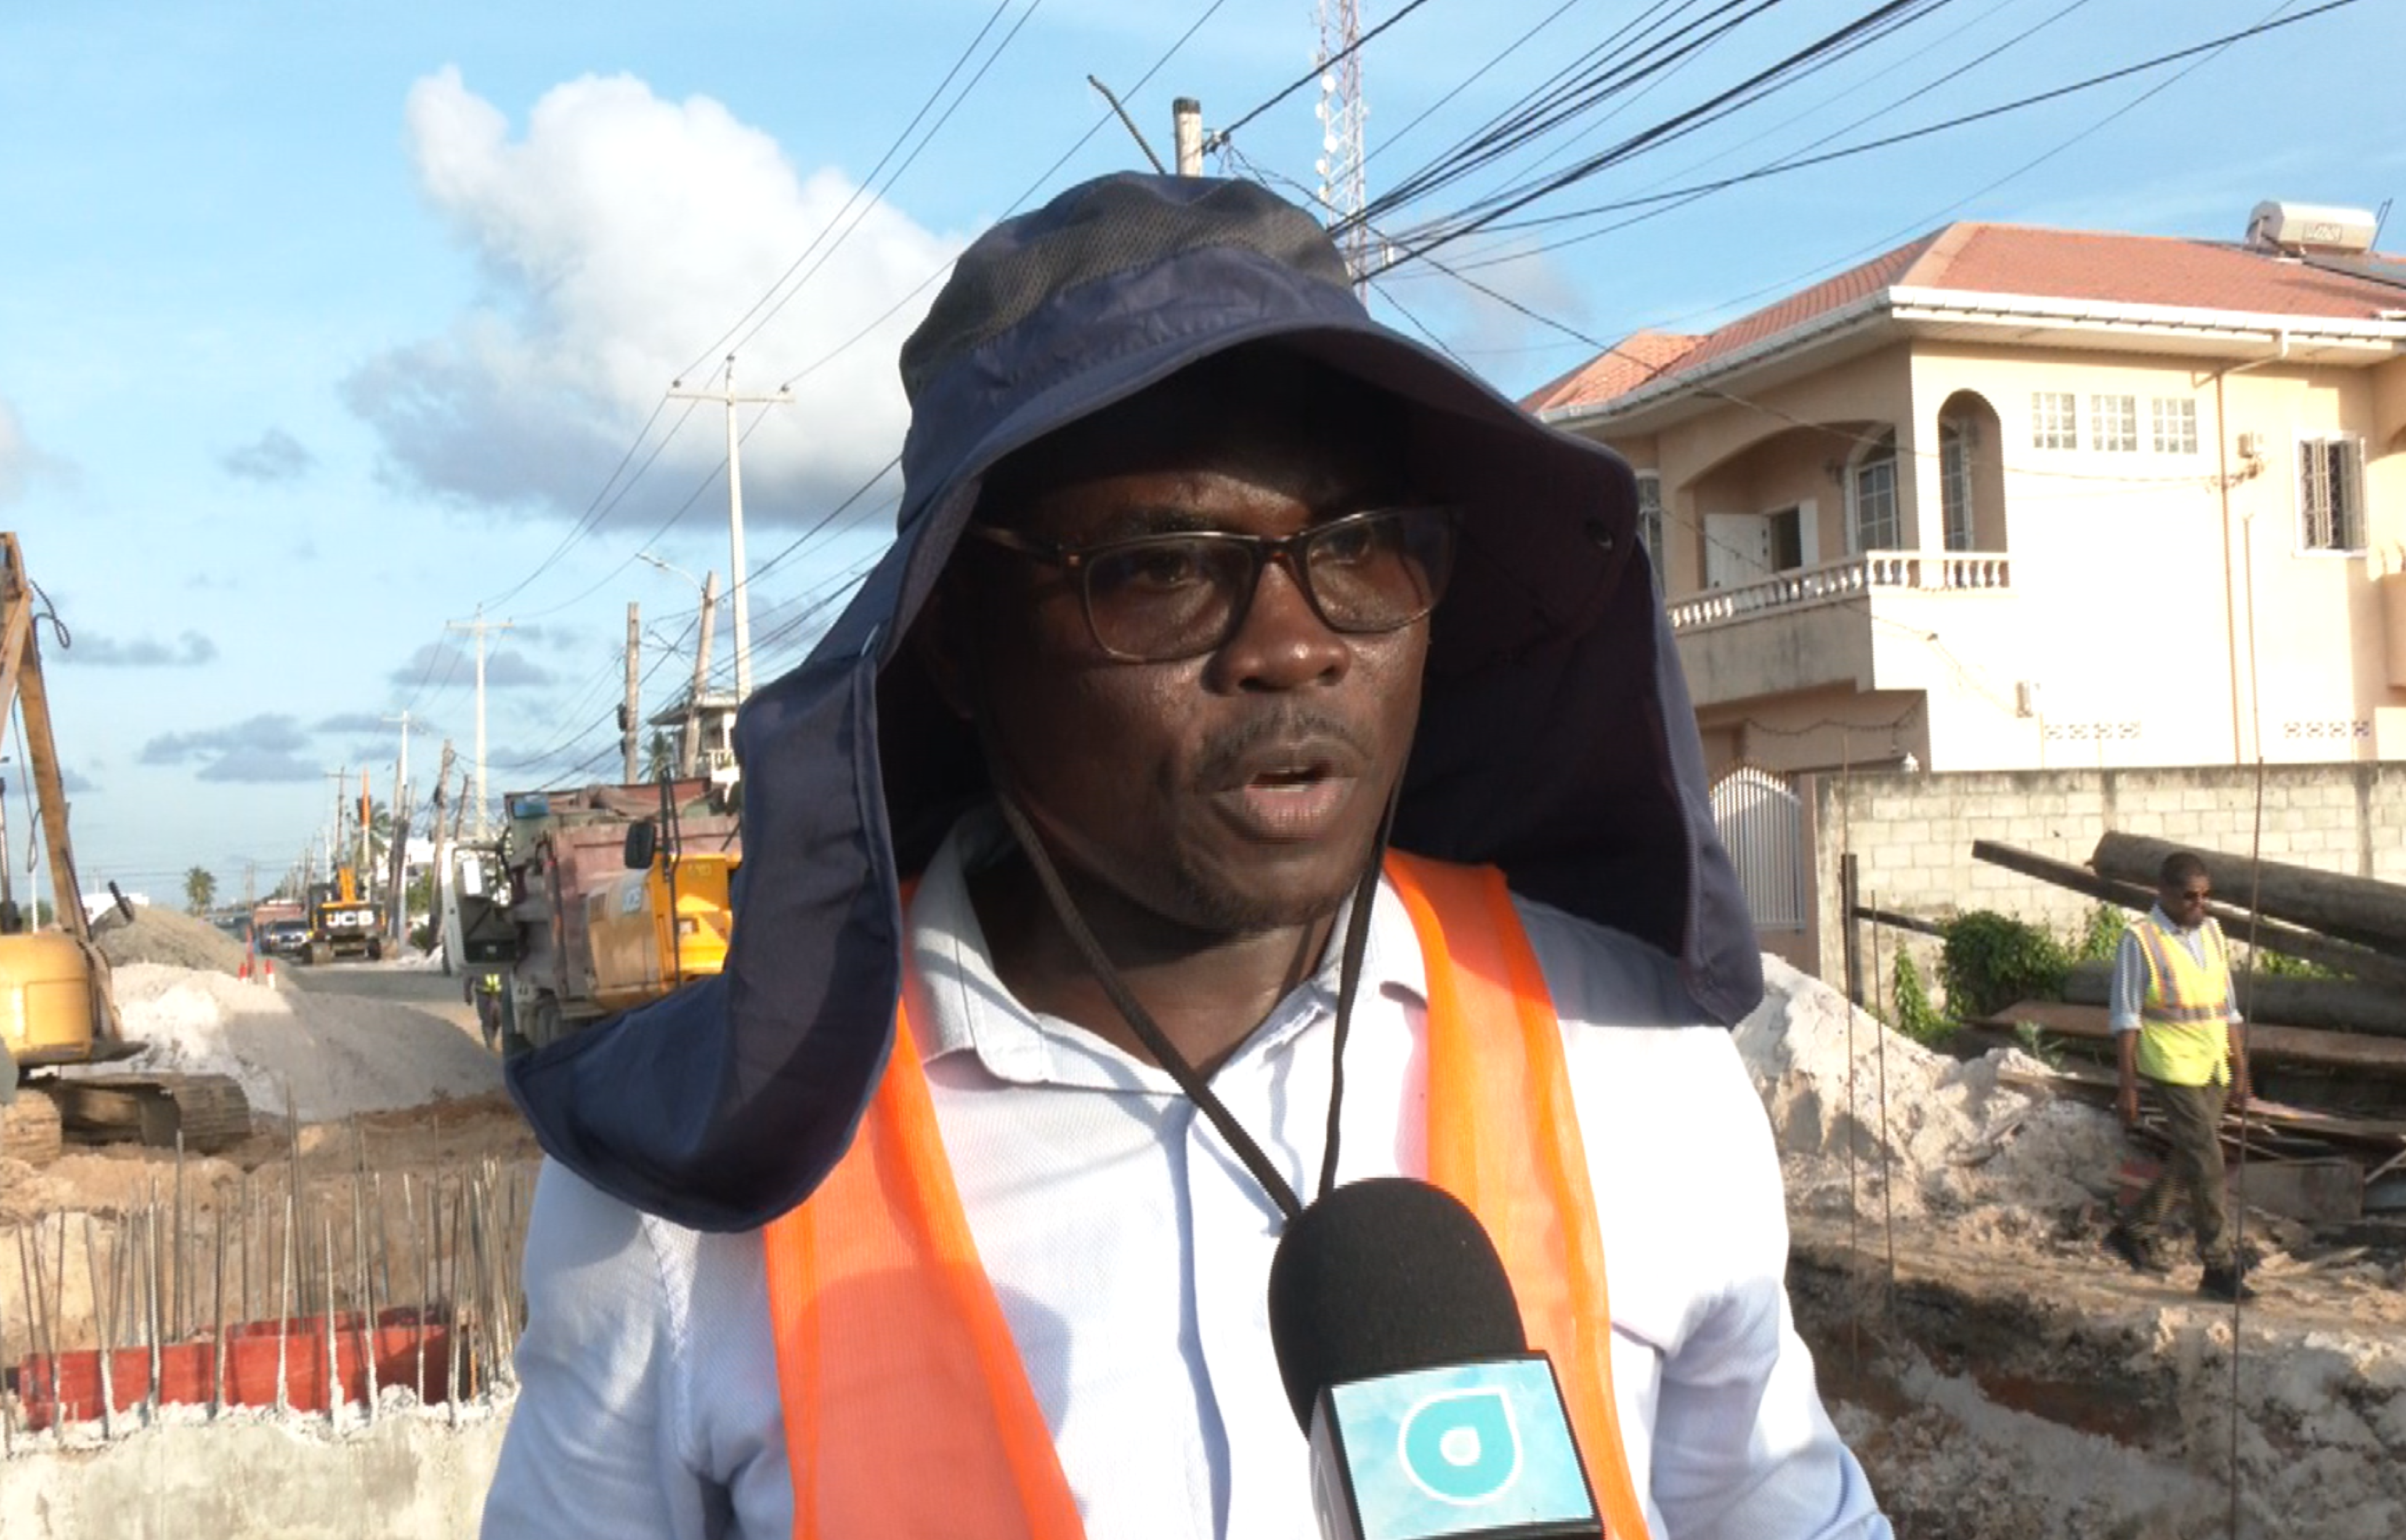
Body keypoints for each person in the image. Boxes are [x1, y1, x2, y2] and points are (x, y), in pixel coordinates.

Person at [484, 174, 1888, 1538]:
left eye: (1363, 549)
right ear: (961, 638)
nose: (1293, 644)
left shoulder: (1630, 1059)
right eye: (1162, 568)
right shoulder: (685, 1204)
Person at [2104, 849, 2255, 1302]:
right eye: (2190, 897)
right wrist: (2127, 1085)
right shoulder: (2140, 940)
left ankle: (2136, 1228)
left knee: (2192, 1157)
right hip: (2170, 1066)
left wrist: (2240, 1068)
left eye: (2205, 896)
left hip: (2212, 1063)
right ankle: (2218, 1264)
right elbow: (2126, 1017)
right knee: (2208, 1162)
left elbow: (2227, 1008)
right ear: (2163, 892)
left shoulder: (2211, 932)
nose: (2199, 905)